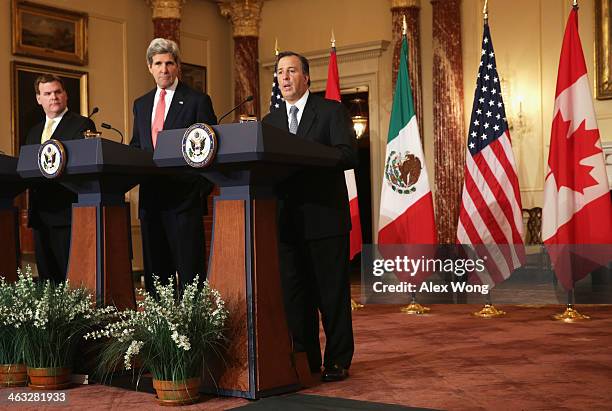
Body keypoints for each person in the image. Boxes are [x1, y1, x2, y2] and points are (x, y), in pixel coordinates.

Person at [262, 51, 358, 382]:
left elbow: (347, 155)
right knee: (295, 296)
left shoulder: (330, 112)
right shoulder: (269, 121)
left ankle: (337, 359)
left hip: (325, 217)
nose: (284, 78)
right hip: (286, 221)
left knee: (330, 294)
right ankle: (304, 358)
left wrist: (304, 157)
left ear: (306, 78)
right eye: (279, 73)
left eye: (291, 71)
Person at [130, 38, 217, 294]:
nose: (164, 69)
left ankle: (192, 330)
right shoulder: (141, 104)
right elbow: (138, 145)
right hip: (151, 199)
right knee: (157, 278)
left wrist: (200, 189)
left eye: (169, 63)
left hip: (184, 200)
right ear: (149, 67)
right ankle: (161, 333)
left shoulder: (197, 100)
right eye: (158, 63)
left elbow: (211, 148)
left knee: (190, 276)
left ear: (178, 66)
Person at [25, 74, 95, 284]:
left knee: (69, 277)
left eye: (57, 92)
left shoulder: (81, 124)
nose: (53, 97)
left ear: (65, 95)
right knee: (47, 278)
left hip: (67, 212)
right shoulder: (34, 131)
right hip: (40, 213)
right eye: (47, 93)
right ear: (39, 99)